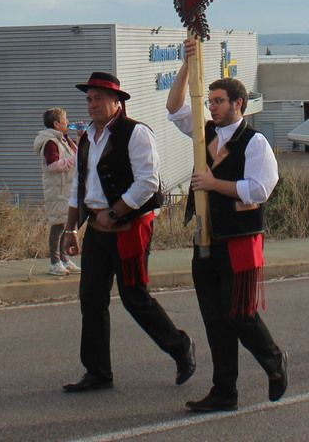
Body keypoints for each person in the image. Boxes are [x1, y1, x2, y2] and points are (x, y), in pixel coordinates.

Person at [166, 39, 289, 413]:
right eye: (211, 100)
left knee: (238, 314)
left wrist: (212, 182)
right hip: (206, 239)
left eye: (219, 101)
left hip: (239, 240)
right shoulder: (205, 135)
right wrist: (189, 65)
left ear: (238, 104)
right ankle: (224, 391)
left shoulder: (255, 143)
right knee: (215, 320)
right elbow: (174, 108)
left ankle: (273, 359)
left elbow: (260, 188)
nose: (212, 107)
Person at [61, 70, 196, 393]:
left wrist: (115, 211)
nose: (91, 104)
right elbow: (79, 185)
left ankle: (179, 347)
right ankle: (97, 371)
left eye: (98, 99)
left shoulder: (136, 134)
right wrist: (71, 229)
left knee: (135, 298)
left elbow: (148, 181)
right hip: (96, 227)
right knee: (91, 299)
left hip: (130, 226)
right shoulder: (86, 138)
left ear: (116, 102)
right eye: (89, 99)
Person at [35, 107, 79, 277]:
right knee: (58, 225)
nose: (67, 122)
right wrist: (71, 161)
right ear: (56, 124)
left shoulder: (64, 139)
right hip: (57, 189)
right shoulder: (50, 142)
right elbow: (53, 165)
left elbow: (76, 154)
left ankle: (65, 259)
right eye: (64, 120)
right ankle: (55, 262)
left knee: (67, 224)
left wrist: (80, 139)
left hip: (67, 188)